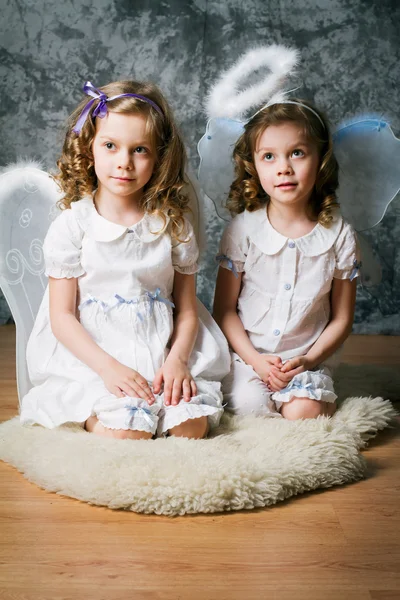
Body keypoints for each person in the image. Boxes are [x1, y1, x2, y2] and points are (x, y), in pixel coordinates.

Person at [20, 80, 229, 439]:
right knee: (128, 433)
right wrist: (109, 369)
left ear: (159, 157)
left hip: (161, 345)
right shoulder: (73, 226)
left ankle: (159, 408)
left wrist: (178, 359)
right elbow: (61, 316)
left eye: (140, 150)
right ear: (90, 149)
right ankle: (99, 416)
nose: (124, 163)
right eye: (111, 146)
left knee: (191, 428)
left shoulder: (171, 225)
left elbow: (188, 307)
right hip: (95, 354)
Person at [213, 99, 361, 420]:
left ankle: (312, 398)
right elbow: (224, 310)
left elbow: (342, 319)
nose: (284, 167)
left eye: (297, 152)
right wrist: (255, 360)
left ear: (320, 158)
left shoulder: (340, 235)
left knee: (305, 412)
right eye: (269, 156)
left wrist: (308, 361)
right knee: (249, 406)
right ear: (253, 165)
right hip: (249, 357)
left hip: (306, 359)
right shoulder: (242, 230)